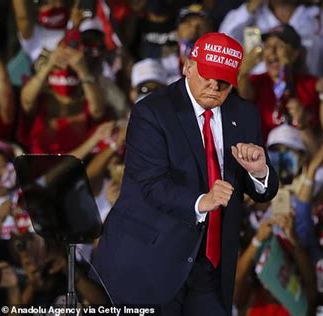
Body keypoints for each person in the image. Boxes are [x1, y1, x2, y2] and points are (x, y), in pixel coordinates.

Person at [91, 32, 279, 315]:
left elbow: (262, 189)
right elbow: (149, 185)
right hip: (149, 261)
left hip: (209, 270)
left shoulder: (245, 114)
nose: (214, 86)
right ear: (188, 66)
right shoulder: (152, 112)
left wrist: (260, 172)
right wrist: (201, 202)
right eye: (208, 75)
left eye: (224, 81)